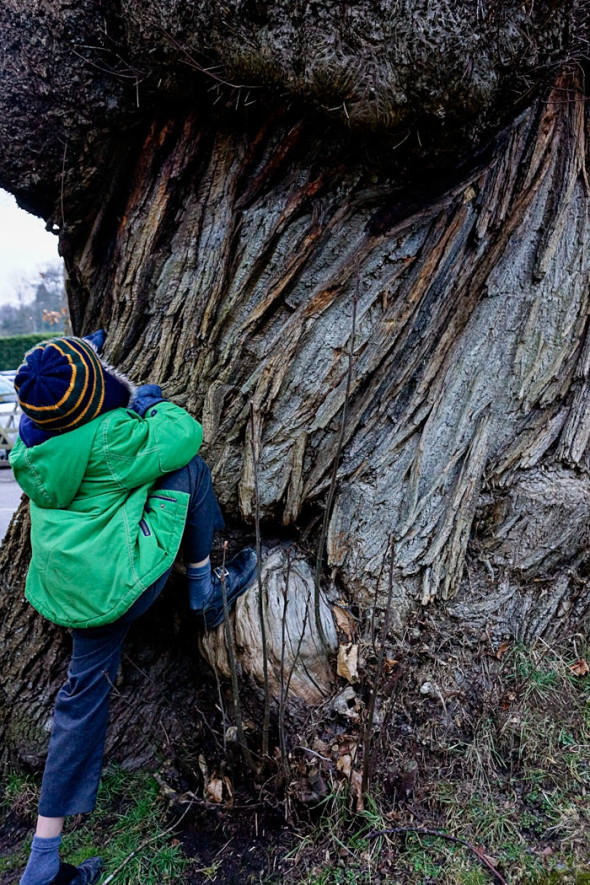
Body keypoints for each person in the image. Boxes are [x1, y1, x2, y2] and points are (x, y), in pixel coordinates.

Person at [10, 332, 256, 885]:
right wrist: (151, 404)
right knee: (188, 470)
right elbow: (184, 437)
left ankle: (42, 862)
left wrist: (89, 360)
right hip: (120, 589)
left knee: (80, 702)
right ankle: (203, 587)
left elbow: (64, 385)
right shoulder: (112, 437)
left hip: (70, 594)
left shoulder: (32, 446)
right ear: (97, 397)